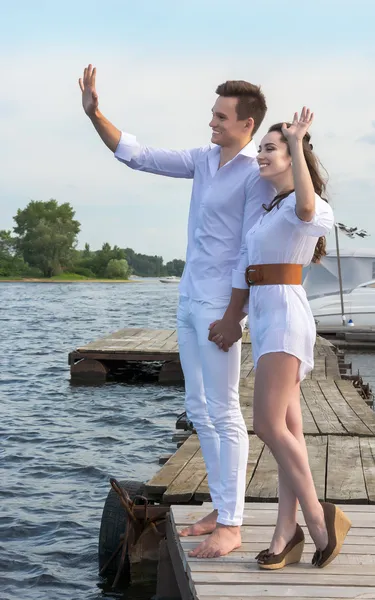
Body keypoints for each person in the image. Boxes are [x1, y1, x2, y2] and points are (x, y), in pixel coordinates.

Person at [79, 65, 274, 558]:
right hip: (189, 298)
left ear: (246, 124)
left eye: (220, 116)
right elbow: (139, 155)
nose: (211, 122)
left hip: (220, 304)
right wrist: (95, 113)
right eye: (212, 113)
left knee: (225, 411)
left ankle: (231, 522)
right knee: (198, 410)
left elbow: (251, 251)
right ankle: (219, 504)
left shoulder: (255, 174)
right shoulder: (204, 160)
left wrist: (235, 315)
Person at [209, 107, 351, 569]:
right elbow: (244, 272)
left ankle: (318, 518)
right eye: (264, 150)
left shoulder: (304, 206)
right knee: (289, 430)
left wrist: (295, 140)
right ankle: (284, 535)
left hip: (287, 316)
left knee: (269, 425)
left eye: (270, 149)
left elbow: (307, 207)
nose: (262, 156)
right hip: (266, 317)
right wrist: (235, 317)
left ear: (294, 158)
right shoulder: (267, 211)